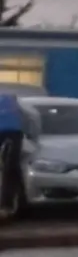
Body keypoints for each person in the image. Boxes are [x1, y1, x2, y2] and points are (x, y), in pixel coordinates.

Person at [0, 88, 24, 220]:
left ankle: (7, 205)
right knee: (11, 168)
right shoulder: (13, 98)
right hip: (14, 133)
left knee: (11, 168)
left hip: (12, 132)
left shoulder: (11, 97)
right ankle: (6, 205)